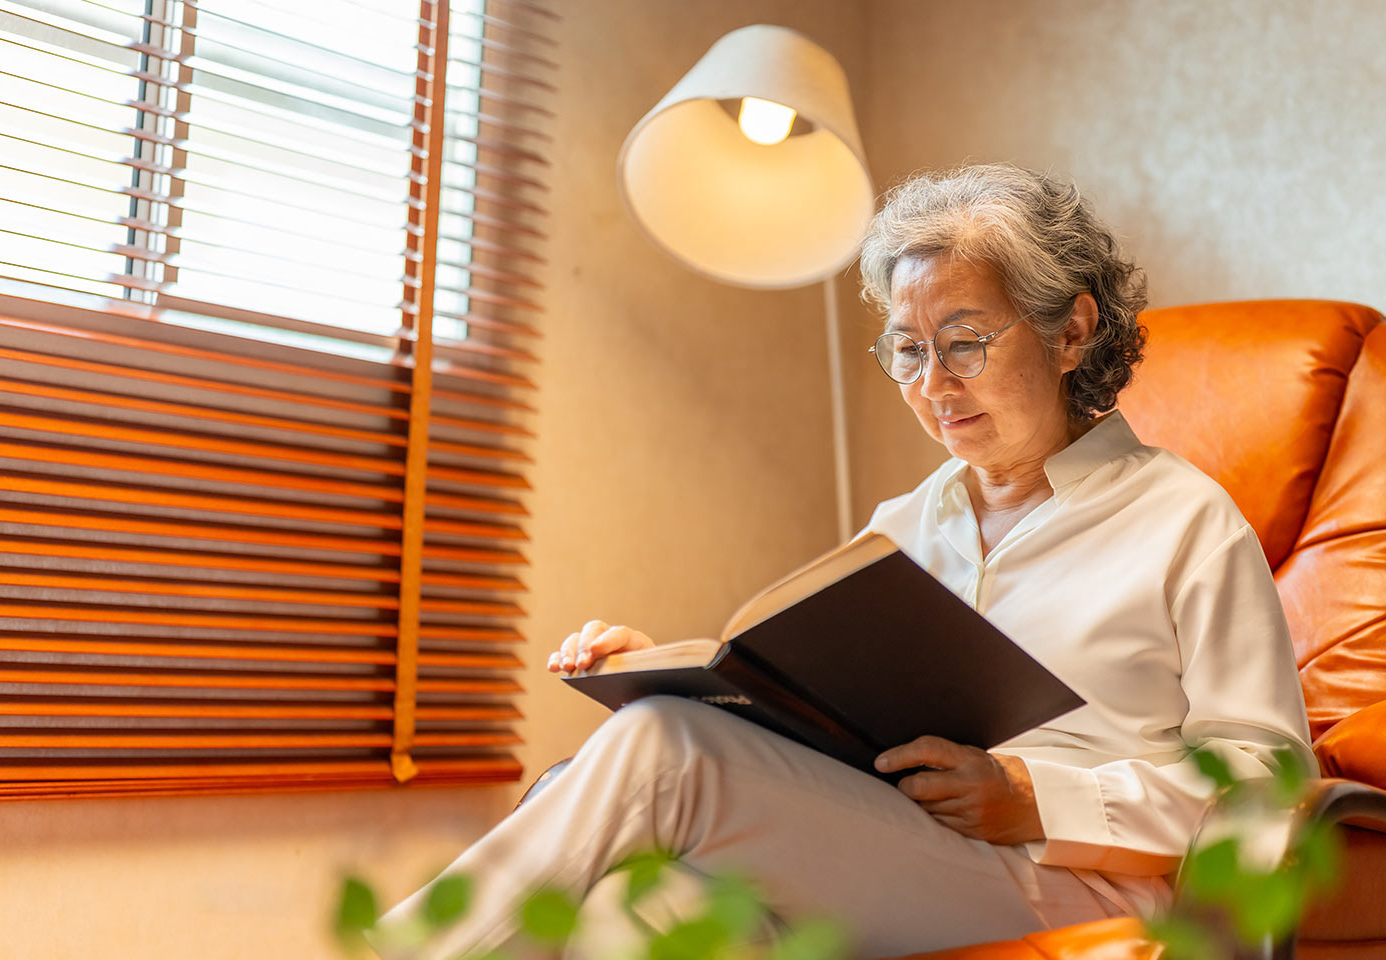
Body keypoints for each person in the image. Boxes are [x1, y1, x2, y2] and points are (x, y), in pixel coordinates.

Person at [378, 164, 1314, 959]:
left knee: (667, 751)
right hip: (894, 848)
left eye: (963, 343)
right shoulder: (907, 522)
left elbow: (1269, 780)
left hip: (1075, 879)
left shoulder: (1185, 521)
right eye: (908, 351)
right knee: (641, 903)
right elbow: (817, 705)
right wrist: (684, 676)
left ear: (1072, 332)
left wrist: (1040, 799)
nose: (933, 386)